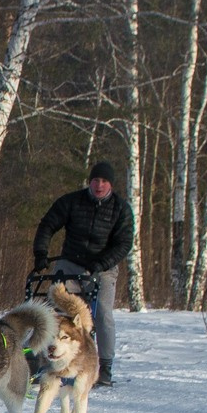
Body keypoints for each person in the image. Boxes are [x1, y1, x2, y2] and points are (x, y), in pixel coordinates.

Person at [32, 161, 132, 385]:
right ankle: (42, 361)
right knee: (56, 311)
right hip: (70, 264)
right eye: (96, 180)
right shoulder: (72, 201)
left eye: (104, 181)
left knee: (103, 314)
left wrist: (103, 262)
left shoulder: (121, 209)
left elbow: (124, 243)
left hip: (103, 268)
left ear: (111, 185)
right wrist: (41, 252)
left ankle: (104, 366)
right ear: (90, 182)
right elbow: (47, 224)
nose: (99, 185)